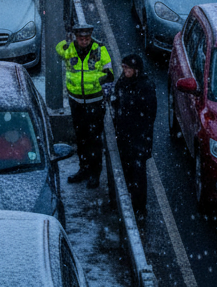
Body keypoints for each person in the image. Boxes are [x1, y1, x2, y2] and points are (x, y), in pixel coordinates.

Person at [56, 21, 114, 188]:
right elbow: (58, 49)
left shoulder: (100, 49)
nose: (84, 41)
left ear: (90, 37)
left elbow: (109, 73)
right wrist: (65, 41)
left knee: (94, 139)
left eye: (87, 38)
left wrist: (102, 80)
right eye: (81, 38)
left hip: (95, 102)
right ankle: (84, 169)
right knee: (81, 138)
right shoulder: (69, 49)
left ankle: (95, 173)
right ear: (76, 37)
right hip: (76, 102)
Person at [110, 54, 157, 215]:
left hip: (138, 138)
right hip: (125, 136)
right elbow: (116, 100)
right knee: (128, 169)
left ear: (136, 70)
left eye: (127, 68)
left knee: (138, 173)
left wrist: (138, 132)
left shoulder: (145, 86)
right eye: (124, 68)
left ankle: (139, 206)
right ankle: (130, 198)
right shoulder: (123, 82)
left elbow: (150, 114)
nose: (125, 71)